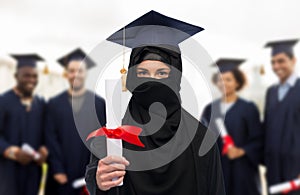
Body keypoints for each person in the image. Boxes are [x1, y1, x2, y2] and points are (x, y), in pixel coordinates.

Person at [85, 10, 225, 195]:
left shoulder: (201, 139)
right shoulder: (112, 139)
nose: (152, 82)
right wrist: (99, 182)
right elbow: (98, 182)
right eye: (142, 74)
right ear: (132, 77)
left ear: (176, 77)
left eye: (162, 74)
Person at [45, 48, 106, 195]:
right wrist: (57, 170)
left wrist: (95, 170)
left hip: (88, 173)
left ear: (86, 73)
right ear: (66, 73)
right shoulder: (54, 104)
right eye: (71, 71)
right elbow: (50, 139)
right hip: (60, 175)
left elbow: (101, 139)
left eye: (80, 71)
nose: (75, 75)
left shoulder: (98, 104)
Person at [201, 58, 263, 195]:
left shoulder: (248, 109)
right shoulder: (209, 110)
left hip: (242, 171)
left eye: (228, 79)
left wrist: (242, 151)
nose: (223, 84)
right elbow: (202, 140)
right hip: (219, 170)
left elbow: (259, 140)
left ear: (237, 82)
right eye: (220, 80)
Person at [0, 54, 48, 195]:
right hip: (8, 172)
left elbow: (47, 134)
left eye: (34, 76)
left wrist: (44, 150)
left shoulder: (40, 104)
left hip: (33, 172)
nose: (31, 80)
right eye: (26, 76)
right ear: (16, 76)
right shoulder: (3, 102)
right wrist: (12, 152)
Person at [263, 39, 300, 195]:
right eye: (273, 62)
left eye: (281, 61)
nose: (276, 66)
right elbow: (266, 129)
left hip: (295, 169)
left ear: (293, 60)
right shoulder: (271, 92)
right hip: (274, 169)